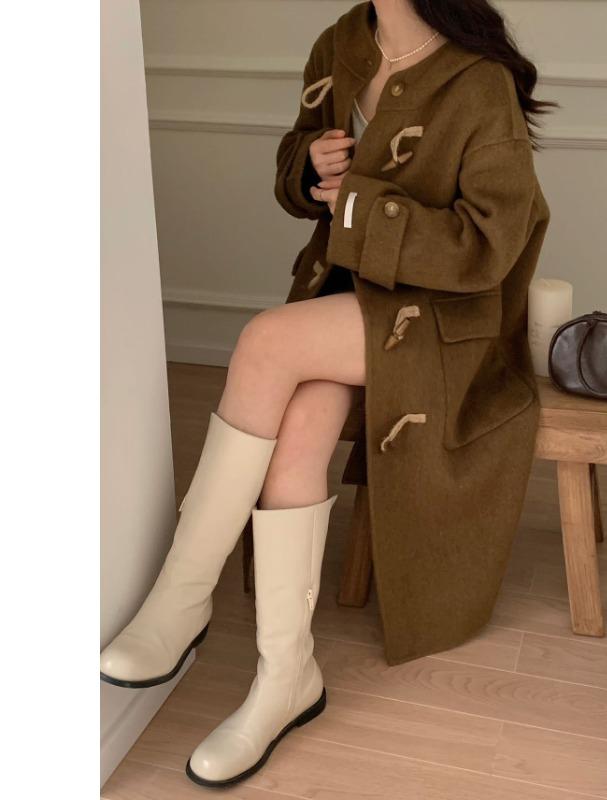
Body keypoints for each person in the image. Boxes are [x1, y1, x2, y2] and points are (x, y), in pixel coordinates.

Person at [100, 0, 553, 787]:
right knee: (302, 427)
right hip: (346, 299)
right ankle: (287, 677)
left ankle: (182, 596)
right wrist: (311, 171)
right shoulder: (340, 44)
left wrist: (359, 204)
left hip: (443, 323)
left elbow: (489, 244)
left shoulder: (479, 81)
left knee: (265, 340)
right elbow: (296, 172)